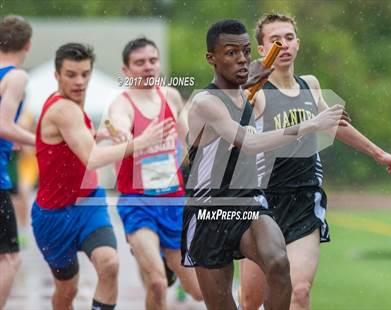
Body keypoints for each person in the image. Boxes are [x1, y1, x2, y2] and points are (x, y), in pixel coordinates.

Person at [239, 13, 391, 310]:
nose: (285, 45)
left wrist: (379, 154)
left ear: (298, 43)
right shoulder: (257, 94)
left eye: (289, 38)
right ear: (263, 50)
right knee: (252, 301)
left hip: (305, 200)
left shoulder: (311, 86)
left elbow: (334, 124)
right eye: (276, 40)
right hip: (261, 205)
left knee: (299, 291)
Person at [181, 19, 348, 310]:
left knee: (278, 262)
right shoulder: (205, 102)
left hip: (249, 203)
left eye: (246, 51)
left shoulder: (252, 91)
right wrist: (310, 125)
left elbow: (261, 96)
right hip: (209, 210)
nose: (242, 58)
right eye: (231, 52)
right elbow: (249, 142)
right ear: (211, 58)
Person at [31, 43, 172, 310]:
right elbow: (93, 159)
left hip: (88, 204)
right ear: (56, 75)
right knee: (67, 290)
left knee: (110, 264)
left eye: (85, 74)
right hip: (54, 215)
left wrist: (99, 134)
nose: (80, 81)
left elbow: (73, 142)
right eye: (71, 74)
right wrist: (141, 142)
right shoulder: (64, 109)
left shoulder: (74, 107)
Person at [108, 37, 202, 310]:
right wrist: (132, 138)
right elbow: (120, 131)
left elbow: (191, 138)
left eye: (152, 61)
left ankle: (163, 260)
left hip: (174, 202)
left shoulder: (170, 96)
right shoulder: (121, 105)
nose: (148, 67)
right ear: (126, 71)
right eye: (139, 63)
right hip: (138, 204)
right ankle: (151, 258)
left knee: (197, 291)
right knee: (157, 284)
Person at [0, 15, 35, 308]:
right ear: (28, 44)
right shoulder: (16, 76)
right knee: (10, 258)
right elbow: (3, 124)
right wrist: (44, 142)